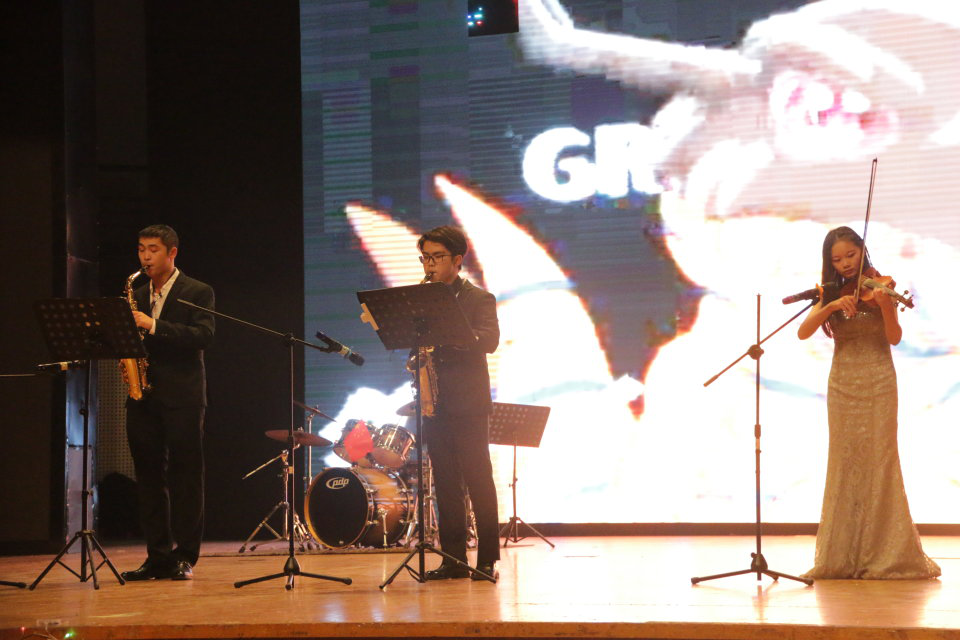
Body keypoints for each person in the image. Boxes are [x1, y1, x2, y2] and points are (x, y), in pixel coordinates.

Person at [797, 226, 939, 579]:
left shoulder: (880, 287)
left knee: (881, 461)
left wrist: (887, 305)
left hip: (879, 381)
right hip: (843, 383)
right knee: (845, 462)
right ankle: (840, 556)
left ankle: (885, 553)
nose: (846, 264)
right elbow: (803, 332)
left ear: (863, 251)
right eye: (837, 259)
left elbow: (894, 337)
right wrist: (831, 305)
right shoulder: (830, 292)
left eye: (851, 255)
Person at [121, 225, 215, 582]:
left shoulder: (197, 291)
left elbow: (203, 335)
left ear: (172, 252)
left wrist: (154, 325)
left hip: (183, 397)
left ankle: (185, 555)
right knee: (148, 478)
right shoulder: (136, 292)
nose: (145, 257)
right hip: (142, 396)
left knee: (186, 476)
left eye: (153, 249)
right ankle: (157, 556)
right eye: (141, 249)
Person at [413, 225, 502, 582]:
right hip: (435, 404)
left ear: (457, 259)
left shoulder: (479, 298)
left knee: (478, 480)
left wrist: (451, 336)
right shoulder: (421, 299)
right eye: (425, 258)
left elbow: (490, 340)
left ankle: (487, 559)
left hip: (469, 403)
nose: (429, 265)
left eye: (437, 257)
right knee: (445, 482)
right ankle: (453, 558)